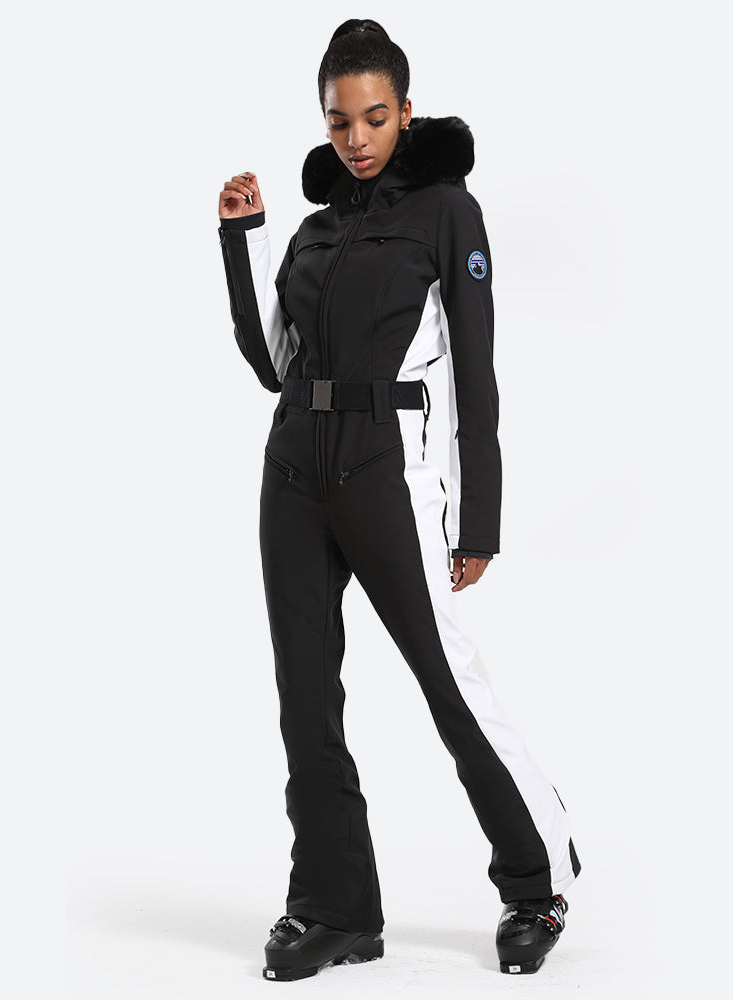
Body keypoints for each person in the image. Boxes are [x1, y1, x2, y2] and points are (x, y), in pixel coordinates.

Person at [217, 18, 581, 982]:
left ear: (406, 111)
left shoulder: (447, 212)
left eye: (375, 117)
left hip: (386, 467)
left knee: (445, 679)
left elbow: (476, 367)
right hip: (293, 469)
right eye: (339, 121)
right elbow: (274, 363)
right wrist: (242, 241)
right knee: (305, 693)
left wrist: (479, 515)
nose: (356, 138)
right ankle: (334, 906)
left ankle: (538, 878)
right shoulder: (314, 229)